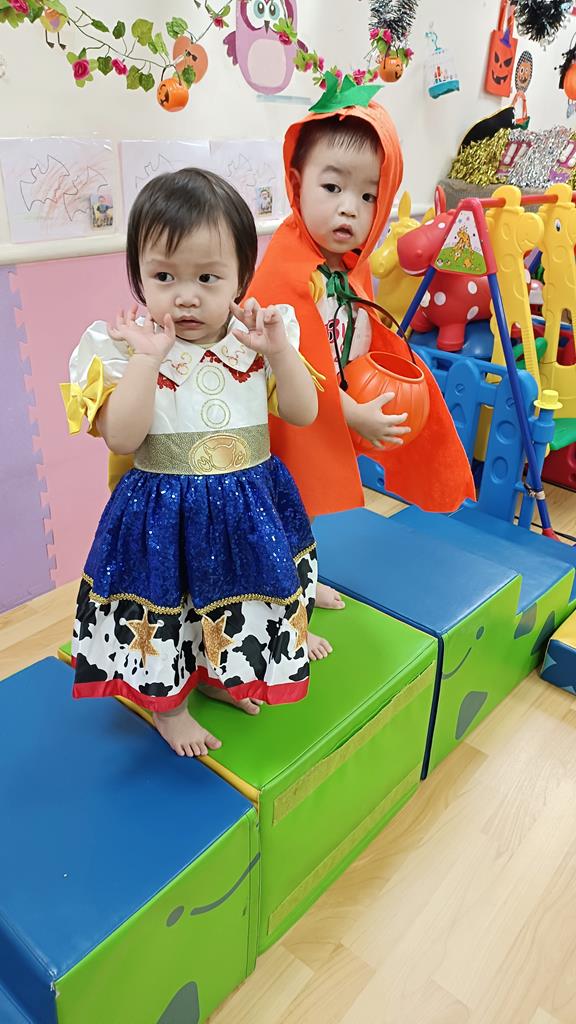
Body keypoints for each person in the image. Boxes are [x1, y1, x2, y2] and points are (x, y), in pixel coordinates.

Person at [61, 168, 320, 758]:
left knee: (232, 601)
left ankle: (218, 677)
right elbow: (122, 438)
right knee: (169, 609)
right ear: (139, 275)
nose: (185, 295)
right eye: (163, 276)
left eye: (207, 277)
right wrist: (147, 361)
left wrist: (280, 352)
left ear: (240, 277)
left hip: (245, 508)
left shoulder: (258, 337)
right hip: (162, 515)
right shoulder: (124, 347)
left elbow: (303, 413)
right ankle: (168, 710)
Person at [250, 91, 476, 630]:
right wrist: (352, 413)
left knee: (302, 509)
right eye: (332, 188)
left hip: (325, 412)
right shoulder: (286, 270)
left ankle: (301, 582)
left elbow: (356, 337)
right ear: (298, 184)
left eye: (368, 195)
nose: (349, 207)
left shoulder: (348, 265)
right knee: (275, 510)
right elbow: (292, 370)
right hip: (279, 424)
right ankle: (280, 607)